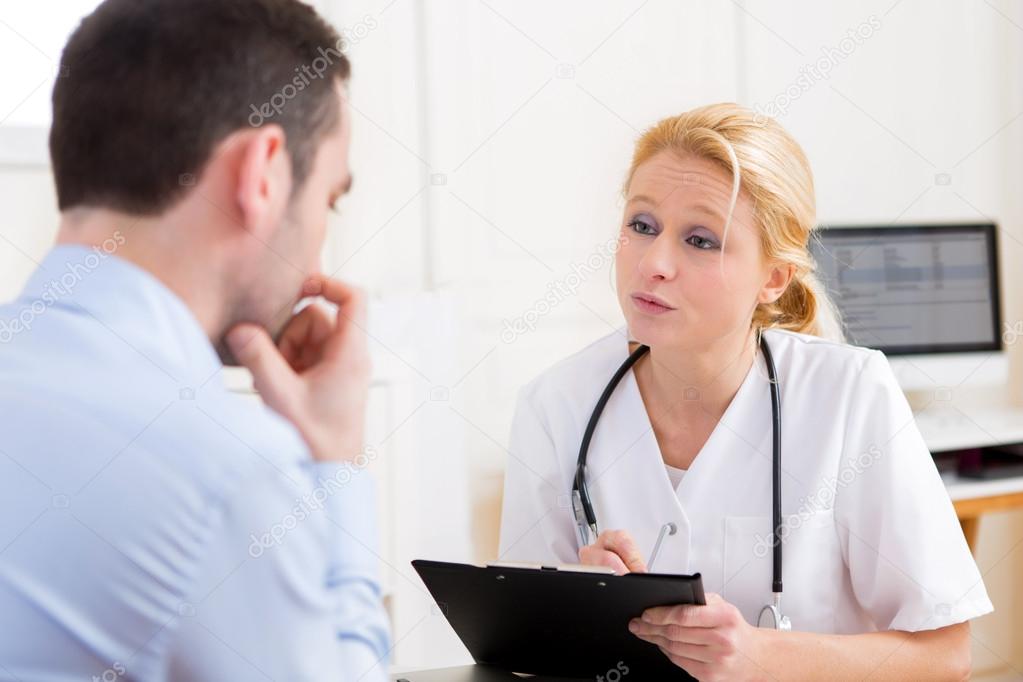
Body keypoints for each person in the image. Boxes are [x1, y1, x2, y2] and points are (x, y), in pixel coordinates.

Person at [498, 103, 992, 680]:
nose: (654, 263)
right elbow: (526, 654)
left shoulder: (850, 395)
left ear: (773, 277)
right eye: (642, 225)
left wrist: (761, 656)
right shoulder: (554, 405)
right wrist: (582, 610)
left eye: (701, 240)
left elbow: (947, 654)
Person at [0, 1, 389, 679]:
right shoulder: (225, 475)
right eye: (328, 200)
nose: (321, 251)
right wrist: (336, 468)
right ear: (262, 173)